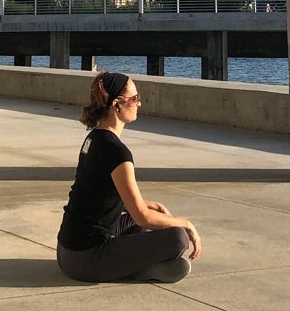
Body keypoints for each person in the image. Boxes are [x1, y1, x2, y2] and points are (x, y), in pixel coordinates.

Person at [56, 71, 202, 283]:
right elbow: (143, 216)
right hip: (87, 261)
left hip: (66, 252)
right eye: (135, 99)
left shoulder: (94, 138)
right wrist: (186, 223)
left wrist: (151, 205)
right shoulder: (117, 153)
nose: (139, 104)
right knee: (177, 237)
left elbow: (100, 195)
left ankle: (135, 264)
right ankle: (139, 268)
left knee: (145, 217)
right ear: (117, 105)